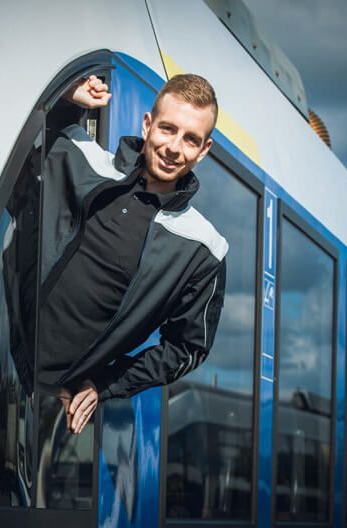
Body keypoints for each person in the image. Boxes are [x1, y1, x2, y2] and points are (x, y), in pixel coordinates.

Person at [34, 72, 229, 436]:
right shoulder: (86, 161)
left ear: (204, 151)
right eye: (168, 129)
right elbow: (33, 142)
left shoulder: (204, 250)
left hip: (47, 412)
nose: (174, 148)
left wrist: (104, 384)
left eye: (191, 139)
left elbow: (186, 348)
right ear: (147, 124)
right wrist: (68, 97)